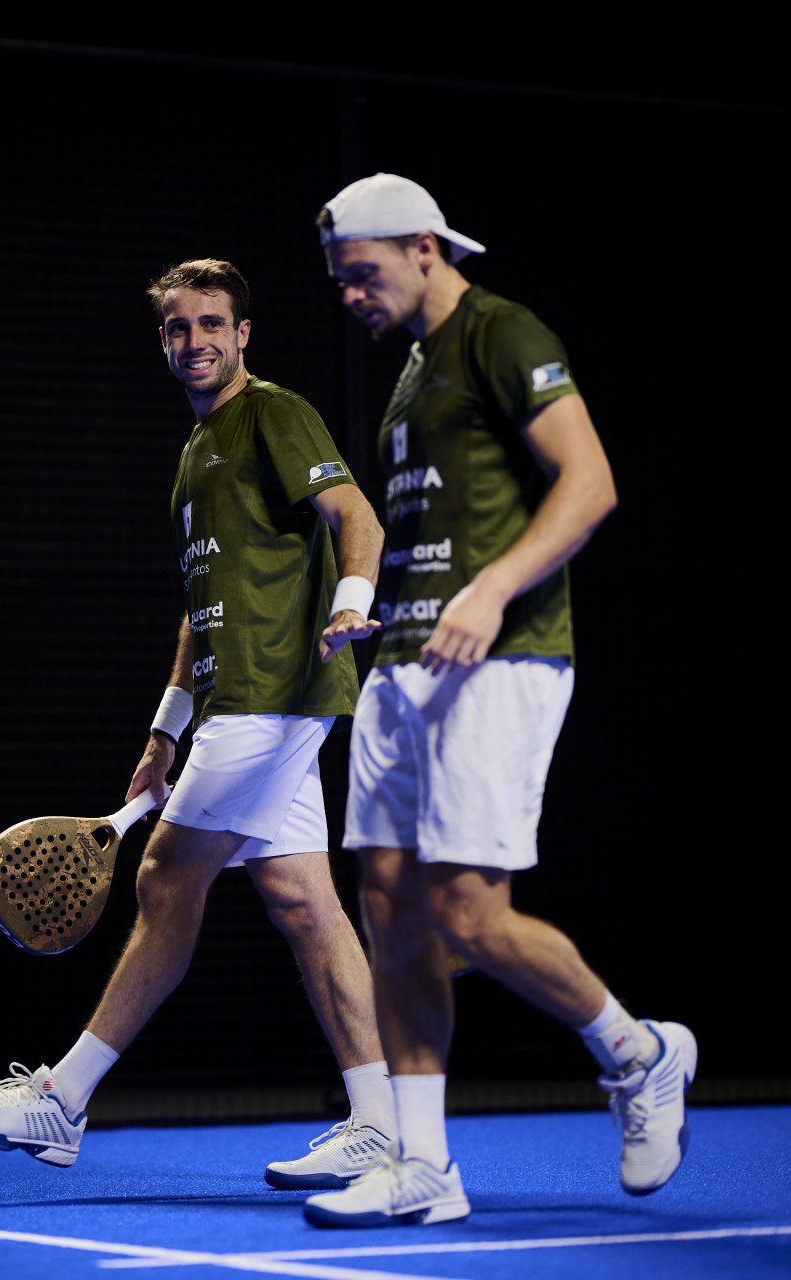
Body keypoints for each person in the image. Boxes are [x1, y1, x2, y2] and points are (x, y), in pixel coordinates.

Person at [0, 258, 400, 1191]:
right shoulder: (195, 455)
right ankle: (383, 1125)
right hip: (237, 700)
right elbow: (201, 608)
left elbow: (356, 514)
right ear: (163, 340)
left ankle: (61, 1101)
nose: (195, 341)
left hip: (280, 691)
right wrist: (164, 729)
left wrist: (351, 601)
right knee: (305, 903)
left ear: (242, 334)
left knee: (164, 875)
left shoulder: (273, 412)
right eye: (177, 328)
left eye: (211, 325)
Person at [302, 175, 696, 1228]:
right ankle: (425, 1163)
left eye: (360, 273)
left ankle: (639, 1051)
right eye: (339, 279)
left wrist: (487, 587)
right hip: (404, 663)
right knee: (387, 905)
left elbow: (589, 481)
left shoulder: (502, 330)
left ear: (422, 246)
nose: (348, 294)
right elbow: (432, 523)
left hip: (503, 655)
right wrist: (371, 612)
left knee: (469, 908)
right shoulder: (414, 372)